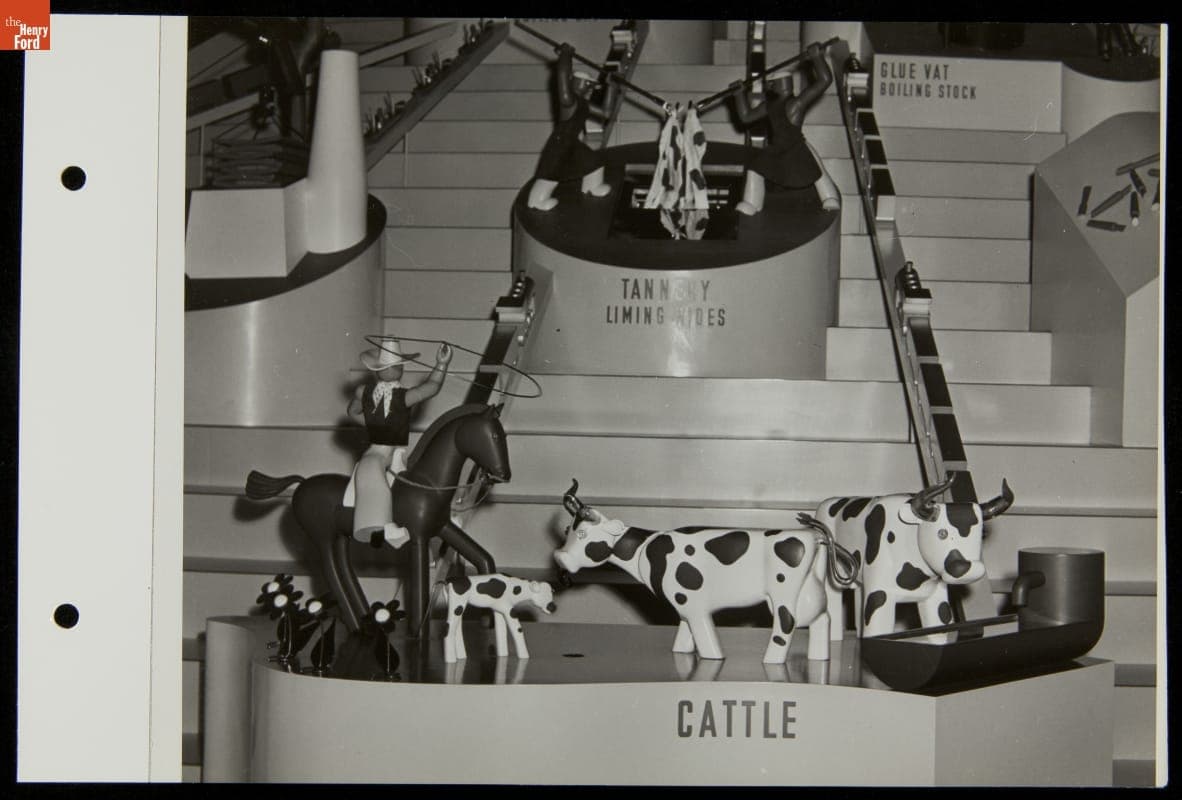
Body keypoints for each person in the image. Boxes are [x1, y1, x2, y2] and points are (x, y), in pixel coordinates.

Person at [346, 339, 452, 549]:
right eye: (390, 366)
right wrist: (374, 426)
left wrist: (441, 365)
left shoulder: (404, 396)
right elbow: (352, 412)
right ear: (378, 370)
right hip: (376, 451)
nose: (395, 369)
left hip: (396, 454)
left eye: (398, 365)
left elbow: (430, 388)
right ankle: (379, 528)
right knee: (373, 475)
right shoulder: (364, 392)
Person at [729, 42, 840, 216]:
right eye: (783, 83)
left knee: (816, 170)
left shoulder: (795, 103)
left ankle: (829, 197)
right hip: (776, 149)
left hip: (796, 147)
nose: (785, 85)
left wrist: (818, 57)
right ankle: (752, 201)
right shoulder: (770, 106)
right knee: (755, 167)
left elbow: (825, 80)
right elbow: (746, 117)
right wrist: (738, 94)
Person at [527, 43, 612, 211]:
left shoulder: (583, 103)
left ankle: (591, 186)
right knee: (551, 174)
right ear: (573, 82)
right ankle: (536, 200)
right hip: (559, 144)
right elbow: (562, 78)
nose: (587, 86)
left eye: (589, 84)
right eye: (584, 83)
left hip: (572, 143)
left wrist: (611, 86)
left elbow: (606, 113)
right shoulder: (569, 103)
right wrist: (566, 55)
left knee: (594, 161)